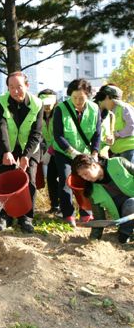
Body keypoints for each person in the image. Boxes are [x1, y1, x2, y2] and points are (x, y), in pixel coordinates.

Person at [0, 72, 43, 233]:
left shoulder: (37, 104)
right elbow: (1, 126)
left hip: (30, 148)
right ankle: (4, 216)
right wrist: (6, 151)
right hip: (9, 146)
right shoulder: (1, 100)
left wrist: (26, 156)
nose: (15, 91)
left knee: (30, 180)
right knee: (5, 179)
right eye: (11, 87)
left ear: (27, 86)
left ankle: (26, 217)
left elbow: (37, 133)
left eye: (19, 87)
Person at [53, 78, 101, 227]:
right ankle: (68, 214)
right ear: (69, 96)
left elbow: (97, 134)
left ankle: (87, 212)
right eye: (74, 98)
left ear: (88, 96)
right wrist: (72, 152)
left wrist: (94, 152)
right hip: (64, 151)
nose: (78, 101)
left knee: (86, 179)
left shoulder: (94, 109)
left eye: (81, 98)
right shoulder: (61, 108)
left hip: (85, 152)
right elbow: (58, 135)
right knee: (66, 180)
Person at [72, 154, 133, 243]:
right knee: (131, 204)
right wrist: (93, 240)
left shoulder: (118, 163)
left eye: (85, 174)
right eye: (82, 176)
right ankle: (126, 233)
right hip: (124, 218)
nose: (85, 178)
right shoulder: (93, 191)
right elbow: (98, 218)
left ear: (93, 165)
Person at [94, 85, 134, 163]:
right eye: (115, 101)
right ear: (107, 97)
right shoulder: (108, 112)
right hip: (116, 151)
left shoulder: (124, 107)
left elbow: (132, 126)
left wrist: (116, 134)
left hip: (129, 149)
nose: (115, 104)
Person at [38, 89, 60, 214]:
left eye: (49, 103)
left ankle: (64, 207)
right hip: (49, 152)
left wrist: (49, 152)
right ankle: (54, 206)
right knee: (51, 179)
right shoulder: (39, 116)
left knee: (62, 179)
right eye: (44, 103)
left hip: (61, 151)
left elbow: (59, 136)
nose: (47, 106)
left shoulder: (58, 114)